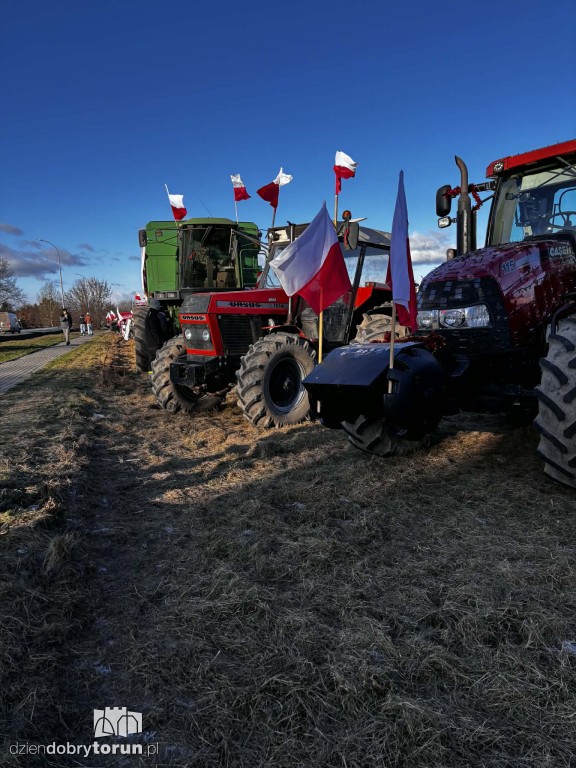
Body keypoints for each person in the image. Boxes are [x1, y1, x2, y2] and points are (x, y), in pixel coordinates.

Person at [143, 298, 170, 369]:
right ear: (156, 305)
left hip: (149, 341)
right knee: (156, 359)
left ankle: (150, 373)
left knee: (151, 359)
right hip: (154, 343)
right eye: (158, 305)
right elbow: (154, 329)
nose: (158, 307)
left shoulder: (149, 313)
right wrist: (158, 341)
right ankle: (154, 372)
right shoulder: (153, 315)